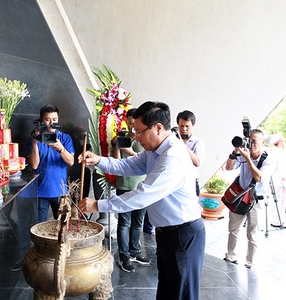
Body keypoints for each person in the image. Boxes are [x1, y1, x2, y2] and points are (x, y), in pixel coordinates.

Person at [78, 101, 205, 300]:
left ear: (158, 128)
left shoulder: (172, 157)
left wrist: (98, 205)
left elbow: (142, 195)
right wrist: (99, 160)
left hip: (183, 235)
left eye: (139, 132)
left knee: (182, 294)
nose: (136, 137)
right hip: (167, 233)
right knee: (167, 291)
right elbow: (128, 165)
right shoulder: (155, 151)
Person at [223, 129, 275, 269]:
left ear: (263, 143)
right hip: (241, 198)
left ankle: (250, 263)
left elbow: (258, 177)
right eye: (250, 141)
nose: (251, 145)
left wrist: (247, 159)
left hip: (256, 200)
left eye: (255, 141)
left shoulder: (268, 160)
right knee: (233, 229)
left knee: (253, 234)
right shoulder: (245, 155)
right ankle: (230, 256)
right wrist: (235, 153)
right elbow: (228, 167)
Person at [111, 108, 150, 273]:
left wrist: (130, 151)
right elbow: (116, 161)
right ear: (126, 121)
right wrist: (118, 144)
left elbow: (145, 161)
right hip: (124, 184)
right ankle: (123, 256)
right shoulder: (122, 138)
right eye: (130, 120)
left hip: (141, 185)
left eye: (135, 121)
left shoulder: (144, 138)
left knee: (138, 222)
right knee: (124, 222)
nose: (132, 124)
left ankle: (135, 251)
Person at [27, 104, 75, 222]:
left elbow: (71, 162)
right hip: (40, 191)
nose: (51, 123)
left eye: (54, 119)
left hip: (60, 192)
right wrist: (34, 142)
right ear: (42, 121)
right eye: (47, 119)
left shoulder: (65, 138)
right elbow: (34, 165)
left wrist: (61, 149)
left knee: (62, 228)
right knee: (39, 228)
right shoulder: (36, 138)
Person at [176, 110, 205, 195]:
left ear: (192, 126)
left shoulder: (198, 142)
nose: (184, 129)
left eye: (187, 126)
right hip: (174, 183)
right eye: (181, 126)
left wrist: (182, 144)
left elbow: (197, 162)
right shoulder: (173, 141)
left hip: (190, 184)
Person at [268, 133, 286, 228]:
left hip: (274, 180)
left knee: (275, 201)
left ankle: (275, 219)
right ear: (280, 142)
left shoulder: (272, 152)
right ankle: (278, 221)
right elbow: (282, 169)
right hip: (280, 180)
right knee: (281, 202)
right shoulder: (280, 153)